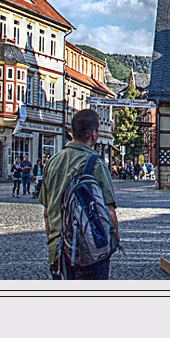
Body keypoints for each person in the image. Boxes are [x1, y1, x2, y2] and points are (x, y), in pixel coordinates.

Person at [39, 109, 119, 279]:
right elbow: (110, 211)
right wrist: (115, 241)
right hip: (91, 251)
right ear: (94, 134)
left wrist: (53, 242)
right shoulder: (96, 163)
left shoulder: (52, 163)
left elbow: (47, 212)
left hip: (59, 251)